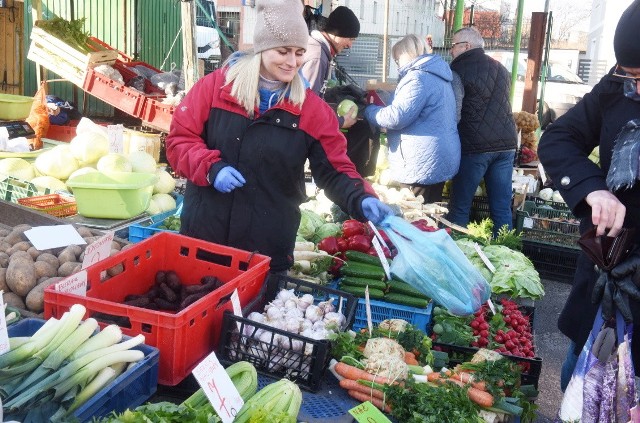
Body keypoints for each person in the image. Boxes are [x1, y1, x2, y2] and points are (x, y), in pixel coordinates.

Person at [165, 0, 392, 273]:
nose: (292, 62)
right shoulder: (215, 88)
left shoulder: (311, 110)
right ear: (262, 48)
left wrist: (361, 198)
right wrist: (211, 168)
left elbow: (334, 170)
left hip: (266, 247)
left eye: (299, 53)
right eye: (283, 51)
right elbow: (180, 141)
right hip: (206, 238)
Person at [537, 0, 640, 391]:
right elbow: (560, 137)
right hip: (609, 268)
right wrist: (593, 189)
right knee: (579, 380)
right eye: (632, 75)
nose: (637, 87)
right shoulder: (617, 86)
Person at [363, 34, 460, 203]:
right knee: (429, 213)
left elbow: (397, 117)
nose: (397, 64)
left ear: (405, 55)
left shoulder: (417, 78)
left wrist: (369, 111)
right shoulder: (439, 76)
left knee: (415, 215)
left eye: (396, 59)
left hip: (420, 160)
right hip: (438, 155)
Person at [445, 26, 518, 236]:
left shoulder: (458, 70)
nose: (451, 50)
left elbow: (455, 112)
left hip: (475, 146)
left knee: (460, 207)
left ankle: (457, 253)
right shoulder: (501, 68)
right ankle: (507, 253)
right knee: (502, 207)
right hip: (506, 145)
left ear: (466, 46)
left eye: (453, 45)